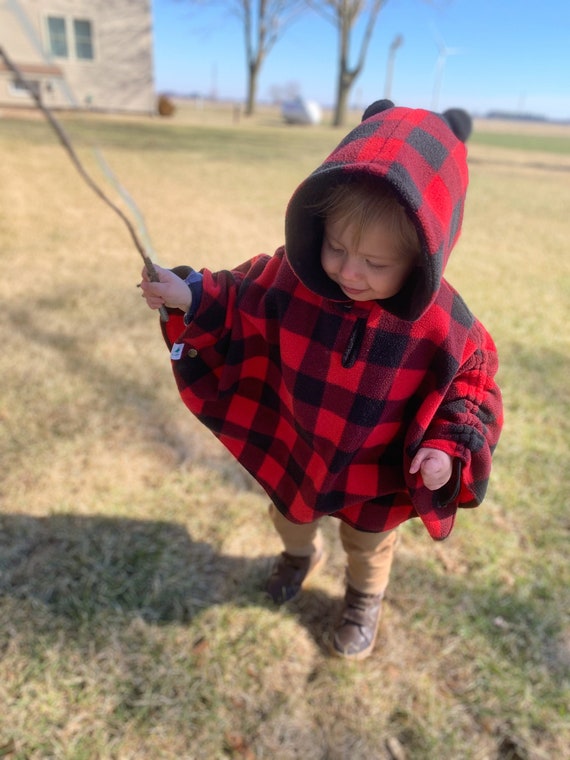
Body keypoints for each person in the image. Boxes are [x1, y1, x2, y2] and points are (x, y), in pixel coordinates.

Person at [140, 100, 503, 661]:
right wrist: (187, 293)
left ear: (426, 255)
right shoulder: (292, 278)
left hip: (378, 472)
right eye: (336, 247)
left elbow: (472, 389)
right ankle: (296, 556)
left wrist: (447, 448)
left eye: (376, 264)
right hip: (297, 446)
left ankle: (363, 598)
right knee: (288, 514)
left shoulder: (445, 327)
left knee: (368, 544)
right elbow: (239, 297)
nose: (348, 271)